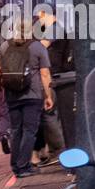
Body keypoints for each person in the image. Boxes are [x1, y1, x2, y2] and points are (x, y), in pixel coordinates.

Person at [0, 24, 53, 179]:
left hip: (11, 95)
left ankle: (15, 165)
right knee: (29, 131)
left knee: (16, 130)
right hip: (32, 94)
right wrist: (47, 96)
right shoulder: (37, 47)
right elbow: (44, 74)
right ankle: (23, 166)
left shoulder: (4, 46)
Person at [33, 33, 66, 167]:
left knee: (43, 119)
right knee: (49, 117)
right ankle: (57, 150)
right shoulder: (42, 43)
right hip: (44, 83)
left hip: (30, 87)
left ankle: (51, 151)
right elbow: (45, 72)